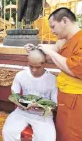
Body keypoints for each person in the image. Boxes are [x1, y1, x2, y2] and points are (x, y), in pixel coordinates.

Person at [25, 7, 82, 141]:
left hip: (77, 98)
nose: (52, 31)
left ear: (64, 21)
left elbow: (74, 68)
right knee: (61, 130)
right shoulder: (65, 39)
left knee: (72, 134)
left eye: (53, 26)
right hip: (65, 95)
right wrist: (36, 49)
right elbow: (54, 53)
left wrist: (49, 52)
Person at [2, 48, 57, 141]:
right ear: (28, 61)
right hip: (22, 112)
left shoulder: (52, 79)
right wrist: (22, 104)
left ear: (45, 63)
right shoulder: (20, 75)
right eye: (31, 66)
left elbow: (55, 104)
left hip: (42, 115)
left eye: (38, 67)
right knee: (7, 132)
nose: (34, 70)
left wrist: (42, 106)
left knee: (48, 138)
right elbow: (14, 96)